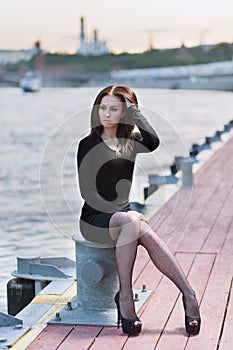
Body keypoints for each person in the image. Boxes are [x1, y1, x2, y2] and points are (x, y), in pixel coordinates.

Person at [77, 85, 201, 336]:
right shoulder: (87, 144)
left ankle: (187, 294)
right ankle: (128, 297)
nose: (107, 114)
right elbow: (86, 193)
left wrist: (133, 111)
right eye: (102, 108)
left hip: (126, 222)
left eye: (114, 109)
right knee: (133, 221)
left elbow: (154, 141)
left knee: (135, 225)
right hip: (95, 220)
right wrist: (123, 216)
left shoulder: (130, 143)